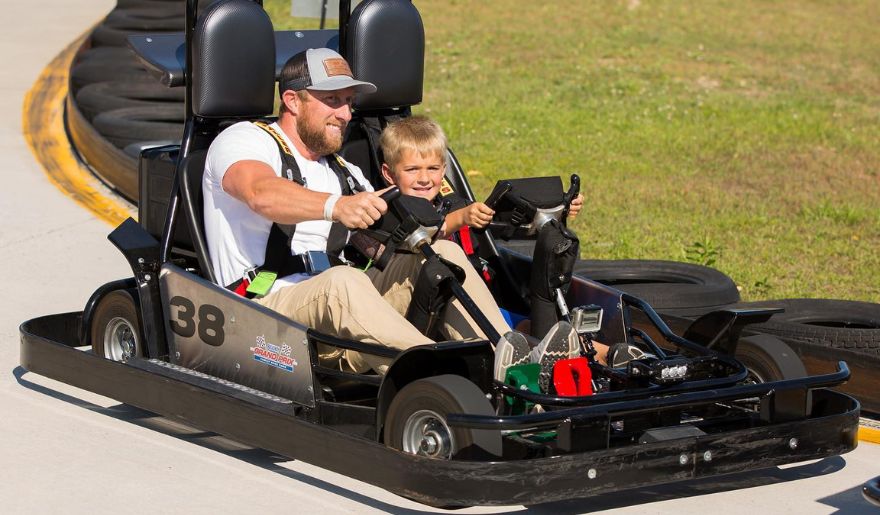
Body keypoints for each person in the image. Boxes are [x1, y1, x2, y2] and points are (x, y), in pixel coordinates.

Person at [202, 48, 527, 377]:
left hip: (346, 310)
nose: (345, 114)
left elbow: (383, 247)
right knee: (341, 282)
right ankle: (442, 378)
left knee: (441, 255)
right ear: (292, 100)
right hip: (264, 312)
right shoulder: (245, 140)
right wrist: (338, 206)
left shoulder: (346, 171)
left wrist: (490, 219)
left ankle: (511, 362)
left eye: (349, 101)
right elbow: (260, 193)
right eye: (332, 100)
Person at [378, 115, 639, 369]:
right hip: (435, 309)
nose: (424, 178)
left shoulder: (453, 202)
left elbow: (502, 222)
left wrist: (558, 209)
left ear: (443, 170)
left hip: (483, 302)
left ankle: (610, 357)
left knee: (534, 324)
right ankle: (568, 360)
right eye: (412, 170)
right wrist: (460, 219)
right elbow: (404, 248)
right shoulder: (388, 211)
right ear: (389, 174)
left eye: (433, 169)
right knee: (524, 332)